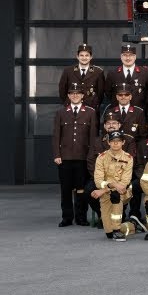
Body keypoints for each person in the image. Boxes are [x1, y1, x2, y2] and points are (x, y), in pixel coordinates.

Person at [53, 82, 97, 227]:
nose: (75, 95)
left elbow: (92, 137)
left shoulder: (90, 112)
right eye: (72, 93)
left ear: (83, 96)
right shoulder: (61, 112)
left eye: (78, 93)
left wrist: (90, 156)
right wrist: (57, 154)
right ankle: (67, 217)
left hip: (82, 158)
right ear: (68, 95)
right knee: (65, 189)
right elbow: (56, 136)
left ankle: (81, 217)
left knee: (81, 189)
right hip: (65, 158)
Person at [88, 130, 134, 241]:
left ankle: (117, 229)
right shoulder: (101, 157)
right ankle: (131, 226)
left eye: (118, 141)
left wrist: (104, 190)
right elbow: (98, 180)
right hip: (105, 191)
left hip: (122, 192)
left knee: (116, 195)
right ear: (108, 142)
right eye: (112, 141)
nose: (115, 143)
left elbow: (124, 182)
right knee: (108, 232)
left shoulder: (128, 158)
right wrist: (110, 186)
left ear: (123, 142)